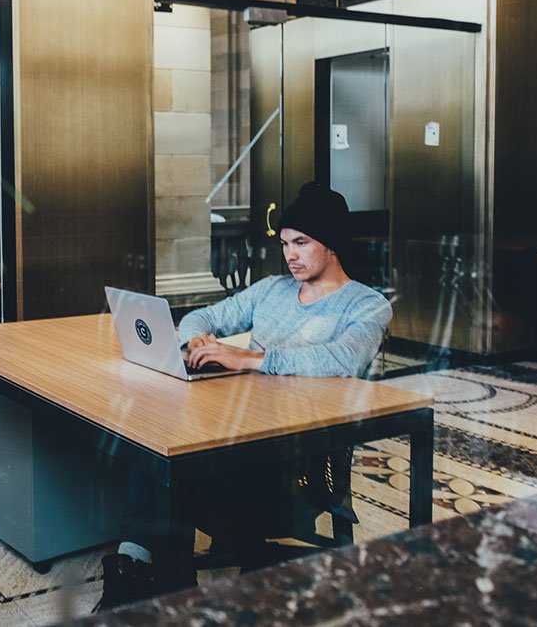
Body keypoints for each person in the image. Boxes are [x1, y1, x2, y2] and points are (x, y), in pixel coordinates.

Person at [96, 182, 394, 612]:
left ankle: (158, 583)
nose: (290, 254)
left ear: (331, 245)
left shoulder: (366, 305)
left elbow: (344, 358)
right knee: (156, 440)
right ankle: (142, 573)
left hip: (295, 463)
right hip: (239, 434)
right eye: (286, 243)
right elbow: (203, 315)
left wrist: (249, 359)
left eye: (302, 243)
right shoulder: (272, 290)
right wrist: (197, 338)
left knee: (170, 469)